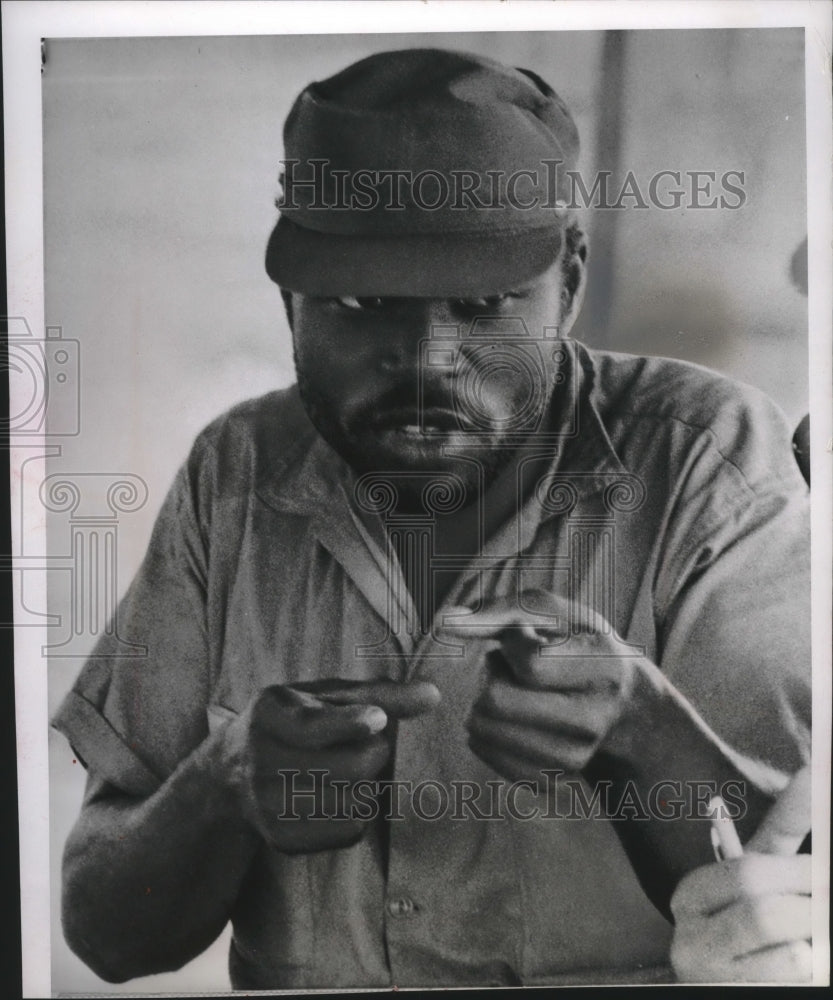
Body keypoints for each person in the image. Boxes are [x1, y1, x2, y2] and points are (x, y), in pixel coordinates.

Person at [53, 48, 812, 988]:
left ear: (568, 280)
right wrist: (222, 787)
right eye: (365, 304)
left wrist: (643, 734)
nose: (426, 358)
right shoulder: (235, 472)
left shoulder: (705, 457)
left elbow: (801, 912)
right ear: (289, 297)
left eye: (486, 303)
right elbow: (105, 936)